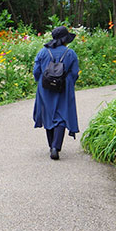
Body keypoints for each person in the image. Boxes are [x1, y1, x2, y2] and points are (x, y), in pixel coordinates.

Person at [32, 26, 80, 160]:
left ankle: (51, 146)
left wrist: (41, 81)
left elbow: (36, 71)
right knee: (61, 116)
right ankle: (56, 147)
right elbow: (75, 73)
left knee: (48, 115)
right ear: (65, 39)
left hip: (45, 88)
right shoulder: (70, 53)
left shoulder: (43, 52)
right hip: (63, 88)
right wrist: (68, 82)